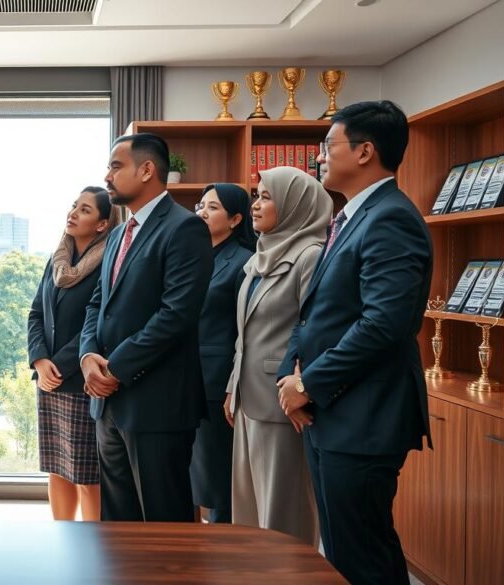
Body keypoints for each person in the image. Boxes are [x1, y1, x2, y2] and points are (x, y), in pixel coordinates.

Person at [277, 101, 432, 585]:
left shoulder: (391, 218)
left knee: (363, 553)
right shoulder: (350, 218)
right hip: (334, 411)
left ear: (365, 151)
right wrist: (293, 377)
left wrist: (311, 383)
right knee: (342, 549)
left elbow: (385, 324)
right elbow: (317, 312)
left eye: (328, 146)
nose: (319, 158)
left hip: (365, 415)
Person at [79, 133, 212, 522]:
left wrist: (115, 369)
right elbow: (96, 304)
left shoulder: (185, 228)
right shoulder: (119, 233)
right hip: (107, 405)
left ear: (147, 169)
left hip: (158, 405)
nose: (107, 176)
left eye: (116, 167)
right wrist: (88, 357)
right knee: (117, 525)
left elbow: (176, 315)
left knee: (164, 526)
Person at [225, 166, 330, 543]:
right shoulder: (259, 256)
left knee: (283, 516)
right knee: (249, 512)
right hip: (247, 399)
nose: (256, 204)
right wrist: (233, 385)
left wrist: (302, 387)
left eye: (266, 197)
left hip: (284, 400)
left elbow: (312, 330)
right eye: (256, 195)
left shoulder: (310, 255)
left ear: (294, 205)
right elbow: (247, 333)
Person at [28, 187, 123, 521]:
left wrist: (60, 365)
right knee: (56, 469)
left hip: (82, 381)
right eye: (74, 206)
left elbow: (94, 324)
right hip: (48, 381)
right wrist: (39, 361)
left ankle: (91, 553)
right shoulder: (57, 260)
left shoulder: (108, 263)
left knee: (86, 475)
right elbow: (36, 313)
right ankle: (60, 541)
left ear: (101, 224)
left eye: (84, 210)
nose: (73, 213)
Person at [190, 183, 255, 524]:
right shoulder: (192, 255)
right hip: (183, 381)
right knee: (186, 478)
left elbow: (246, 333)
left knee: (217, 481)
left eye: (212, 207)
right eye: (201, 205)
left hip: (217, 385)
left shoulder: (243, 262)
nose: (201, 211)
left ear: (235, 219)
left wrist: (233, 384)